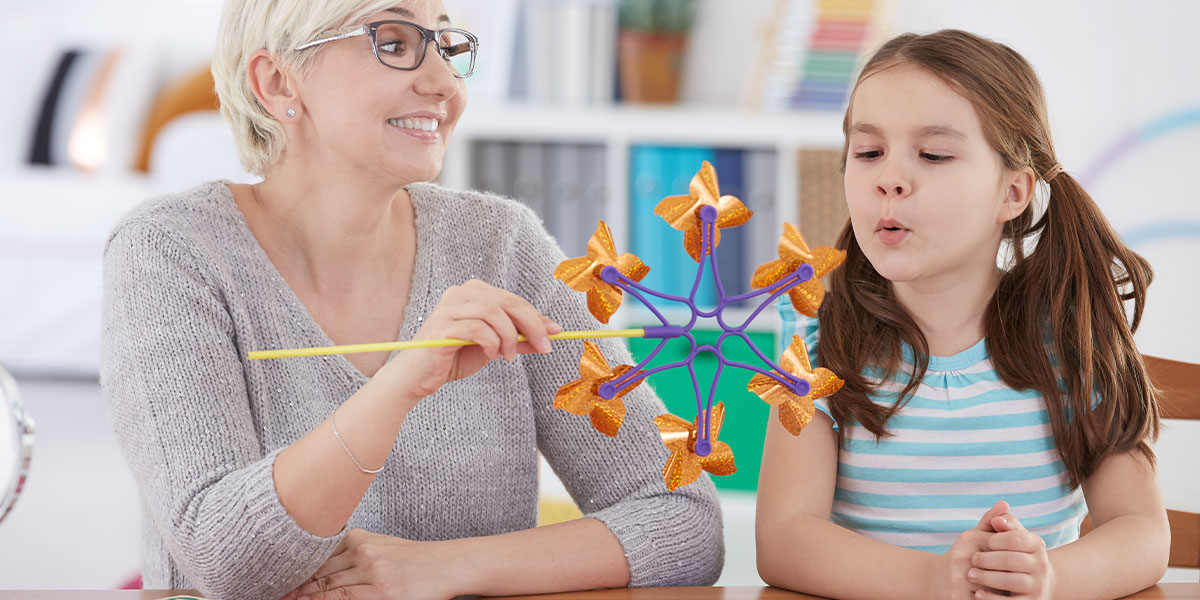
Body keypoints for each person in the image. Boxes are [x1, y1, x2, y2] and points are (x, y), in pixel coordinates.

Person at [100, 1, 723, 599]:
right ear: (277, 82)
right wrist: (400, 384)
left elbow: (684, 521)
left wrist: (442, 569)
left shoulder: (500, 245)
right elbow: (224, 561)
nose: (445, 83)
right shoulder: (169, 254)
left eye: (447, 45)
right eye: (394, 44)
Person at [755, 29, 1169, 600]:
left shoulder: (1072, 341)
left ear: (1014, 192)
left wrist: (1051, 578)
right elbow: (783, 541)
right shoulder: (815, 348)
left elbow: (1142, 532)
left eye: (933, 155)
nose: (889, 178)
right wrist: (931, 579)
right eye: (868, 151)